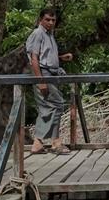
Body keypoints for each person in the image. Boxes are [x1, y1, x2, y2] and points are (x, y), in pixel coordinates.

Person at [26, 8, 73, 155]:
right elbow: (34, 59)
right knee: (57, 104)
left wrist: (60, 58)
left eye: (53, 20)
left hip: (50, 73)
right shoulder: (37, 33)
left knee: (48, 108)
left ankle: (38, 143)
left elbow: (45, 56)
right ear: (41, 20)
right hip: (43, 74)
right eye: (47, 19)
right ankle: (55, 142)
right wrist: (41, 81)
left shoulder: (50, 35)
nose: (51, 22)